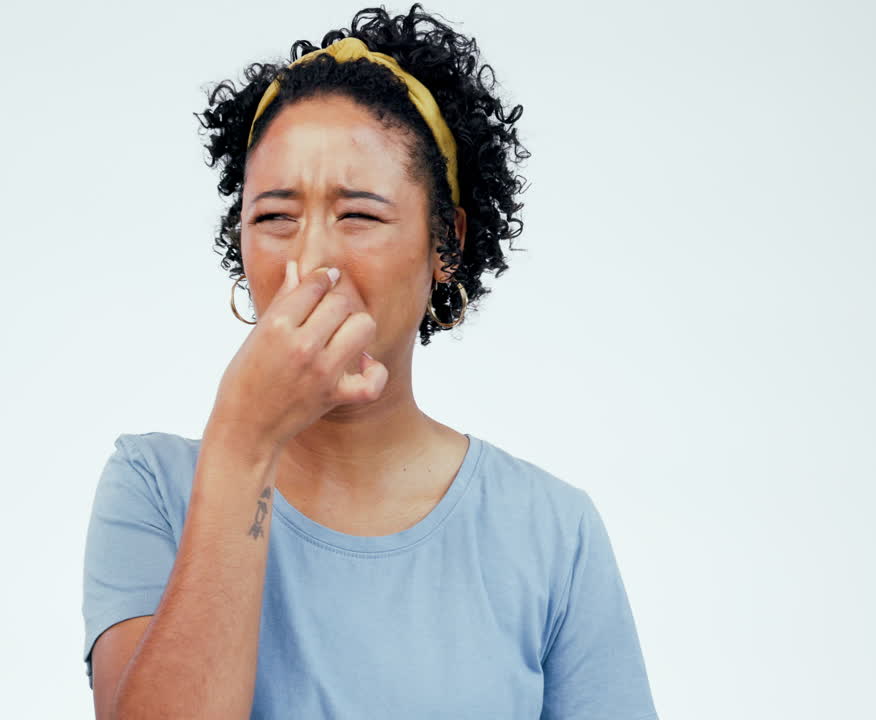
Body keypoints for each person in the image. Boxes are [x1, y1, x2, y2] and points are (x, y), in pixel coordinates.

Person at [82, 5, 659, 718]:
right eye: (274, 217)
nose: (312, 258)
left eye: (357, 214)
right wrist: (245, 439)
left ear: (445, 245)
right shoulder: (152, 490)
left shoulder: (551, 533)